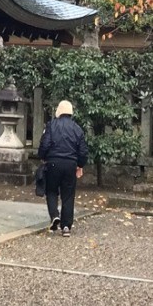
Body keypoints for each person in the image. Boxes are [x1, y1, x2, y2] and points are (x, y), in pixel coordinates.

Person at [37, 99, 87, 236]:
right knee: (68, 195)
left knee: (51, 191)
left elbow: (45, 144)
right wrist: (80, 165)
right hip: (70, 164)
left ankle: (54, 215)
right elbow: (82, 150)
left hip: (53, 162)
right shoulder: (77, 128)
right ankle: (66, 227)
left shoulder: (51, 125)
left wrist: (42, 156)